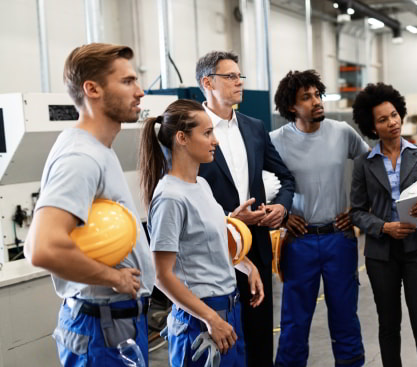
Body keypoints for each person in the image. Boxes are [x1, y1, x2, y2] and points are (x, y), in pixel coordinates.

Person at [24, 43, 155, 366]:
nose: (139, 92)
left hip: (117, 322)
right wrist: (115, 278)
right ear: (92, 89)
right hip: (101, 328)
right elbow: (42, 248)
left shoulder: (98, 149)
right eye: (127, 82)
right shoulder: (80, 157)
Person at [139, 99, 264, 366]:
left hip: (227, 311)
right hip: (202, 320)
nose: (215, 140)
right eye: (207, 133)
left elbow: (215, 242)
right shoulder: (170, 197)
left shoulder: (202, 185)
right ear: (182, 138)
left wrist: (248, 267)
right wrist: (210, 318)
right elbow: (161, 275)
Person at [195, 51, 295, 367]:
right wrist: (228, 220)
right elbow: (182, 194)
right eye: (231, 77)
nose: (240, 82)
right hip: (211, 255)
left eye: (240, 76)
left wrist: (281, 207)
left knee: (259, 341)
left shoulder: (254, 127)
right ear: (207, 82)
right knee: (219, 346)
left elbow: (286, 177)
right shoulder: (188, 132)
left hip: (256, 252)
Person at [350, 82, 417, 367]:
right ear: (372, 127)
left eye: (394, 115)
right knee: (388, 325)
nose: (392, 122)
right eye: (383, 119)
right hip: (380, 255)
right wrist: (385, 227)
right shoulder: (364, 163)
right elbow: (357, 212)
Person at [270, 70, 369, 367]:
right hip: (298, 243)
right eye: (306, 97)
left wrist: (357, 210)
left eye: (317, 95)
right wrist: (283, 216)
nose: (316, 102)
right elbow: (261, 184)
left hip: (340, 239)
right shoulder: (275, 141)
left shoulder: (342, 132)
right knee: (294, 321)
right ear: (291, 107)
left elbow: (371, 171)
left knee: (345, 316)